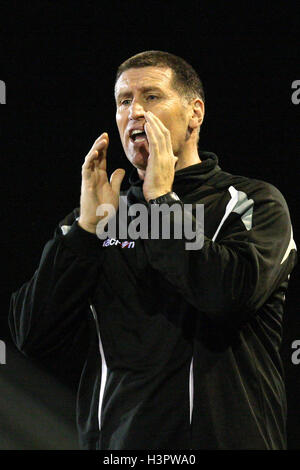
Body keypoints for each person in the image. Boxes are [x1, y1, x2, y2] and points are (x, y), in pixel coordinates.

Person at [9, 50, 297, 450]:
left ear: (195, 113)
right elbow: (32, 335)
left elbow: (227, 294)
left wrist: (162, 201)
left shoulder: (249, 203)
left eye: (152, 97)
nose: (135, 112)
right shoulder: (98, 216)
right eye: (124, 101)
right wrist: (84, 231)